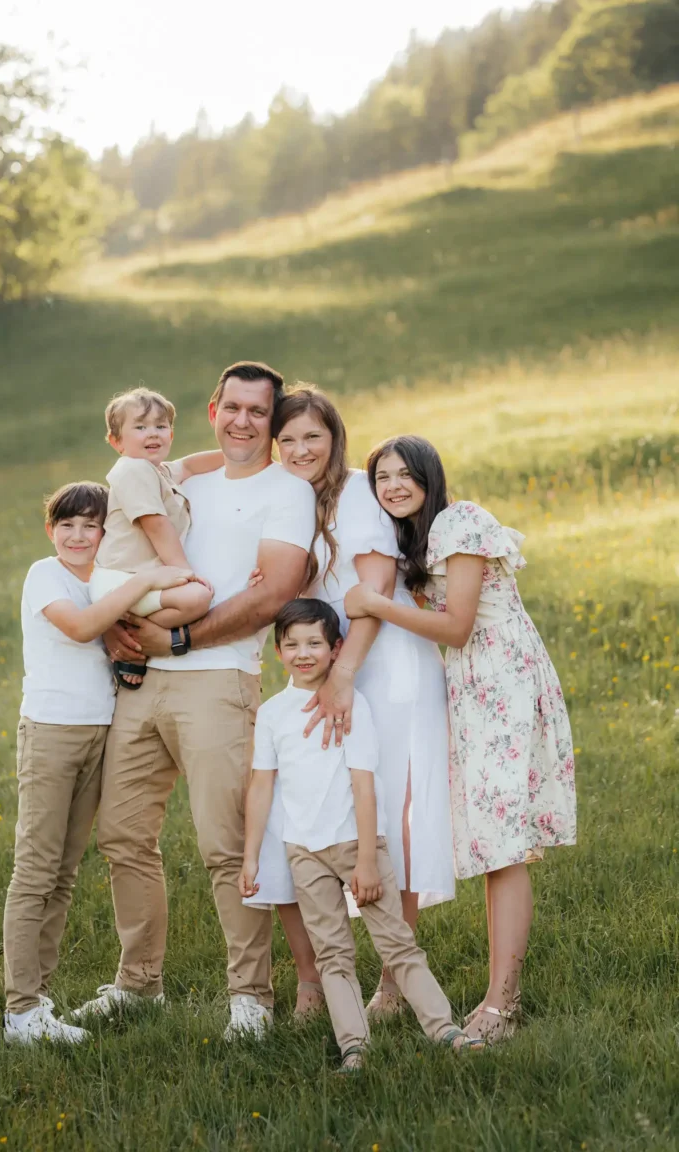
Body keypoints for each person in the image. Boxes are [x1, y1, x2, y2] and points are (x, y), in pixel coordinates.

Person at [68, 362, 316, 1040]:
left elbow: (272, 594)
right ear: (213, 411)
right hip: (139, 681)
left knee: (226, 843)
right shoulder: (176, 476)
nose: (242, 421)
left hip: (217, 680)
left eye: (258, 411)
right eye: (232, 407)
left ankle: (251, 999)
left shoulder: (287, 490)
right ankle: (137, 984)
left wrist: (176, 639)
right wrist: (119, 632)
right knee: (122, 835)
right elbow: (116, 541)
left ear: (272, 421)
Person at [345, 436, 577, 1041]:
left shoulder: (460, 522)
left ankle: (503, 1004)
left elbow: (456, 627)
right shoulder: (414, 542)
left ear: (430, 477)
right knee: (486, 843)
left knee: (503, 847)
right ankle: (426, 986)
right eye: (381, 477)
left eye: (405, 474)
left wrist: (375, 603)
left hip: (503, 687)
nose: (393, 485)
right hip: (468, 694)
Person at [245, 388, 454, 1020]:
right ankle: (316, 978)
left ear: (335, 438)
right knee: (307, 807)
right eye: (286, 440)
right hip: (332, 662)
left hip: (382, 664)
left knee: (387, 812)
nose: (299, 450)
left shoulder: (357, 492)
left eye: (313, 436)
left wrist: (343, 676)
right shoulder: (296, 497)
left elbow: (376, 588)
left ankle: (394, 980)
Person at [239, 599, 483, 1069]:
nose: (303, 653)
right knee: (332, 954)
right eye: (292, 645)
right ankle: (355, 1046)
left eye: (315, 643)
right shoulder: (272, 714)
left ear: (336, 649)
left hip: (356, 843)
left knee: (397, 943)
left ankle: (444, 1029)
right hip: (304, 852)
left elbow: (364, 784)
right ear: (278, 651)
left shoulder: (352, 705)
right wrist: (251, 857)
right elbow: (261, 786)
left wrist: (368, 858)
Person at [3, 481, 191, 1044]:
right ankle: (20, 1010)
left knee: (63, 874)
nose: (79, 536)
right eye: (68, 525)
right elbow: (82, 627)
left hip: (98, 734)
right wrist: (146, 580)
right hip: (51, 735)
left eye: (91, 526)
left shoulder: (105, 582)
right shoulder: (46, 575)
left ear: (106, 533)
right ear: (50, 530)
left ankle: (39, 1002)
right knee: (35, 871)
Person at [90, 385, 222, 687]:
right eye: (140, 427)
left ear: (171, 435)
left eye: (161, 427)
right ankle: (135, 642)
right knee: (197, 598)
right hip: (120, 580)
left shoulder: (158, 471)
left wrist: (248, 457)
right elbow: (157, 526)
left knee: (195, 599)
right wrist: (184, 574)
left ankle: (128, 635)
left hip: (141, 579)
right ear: (117, 441)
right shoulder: (132, 470)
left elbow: (189, 465)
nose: (153, 433)